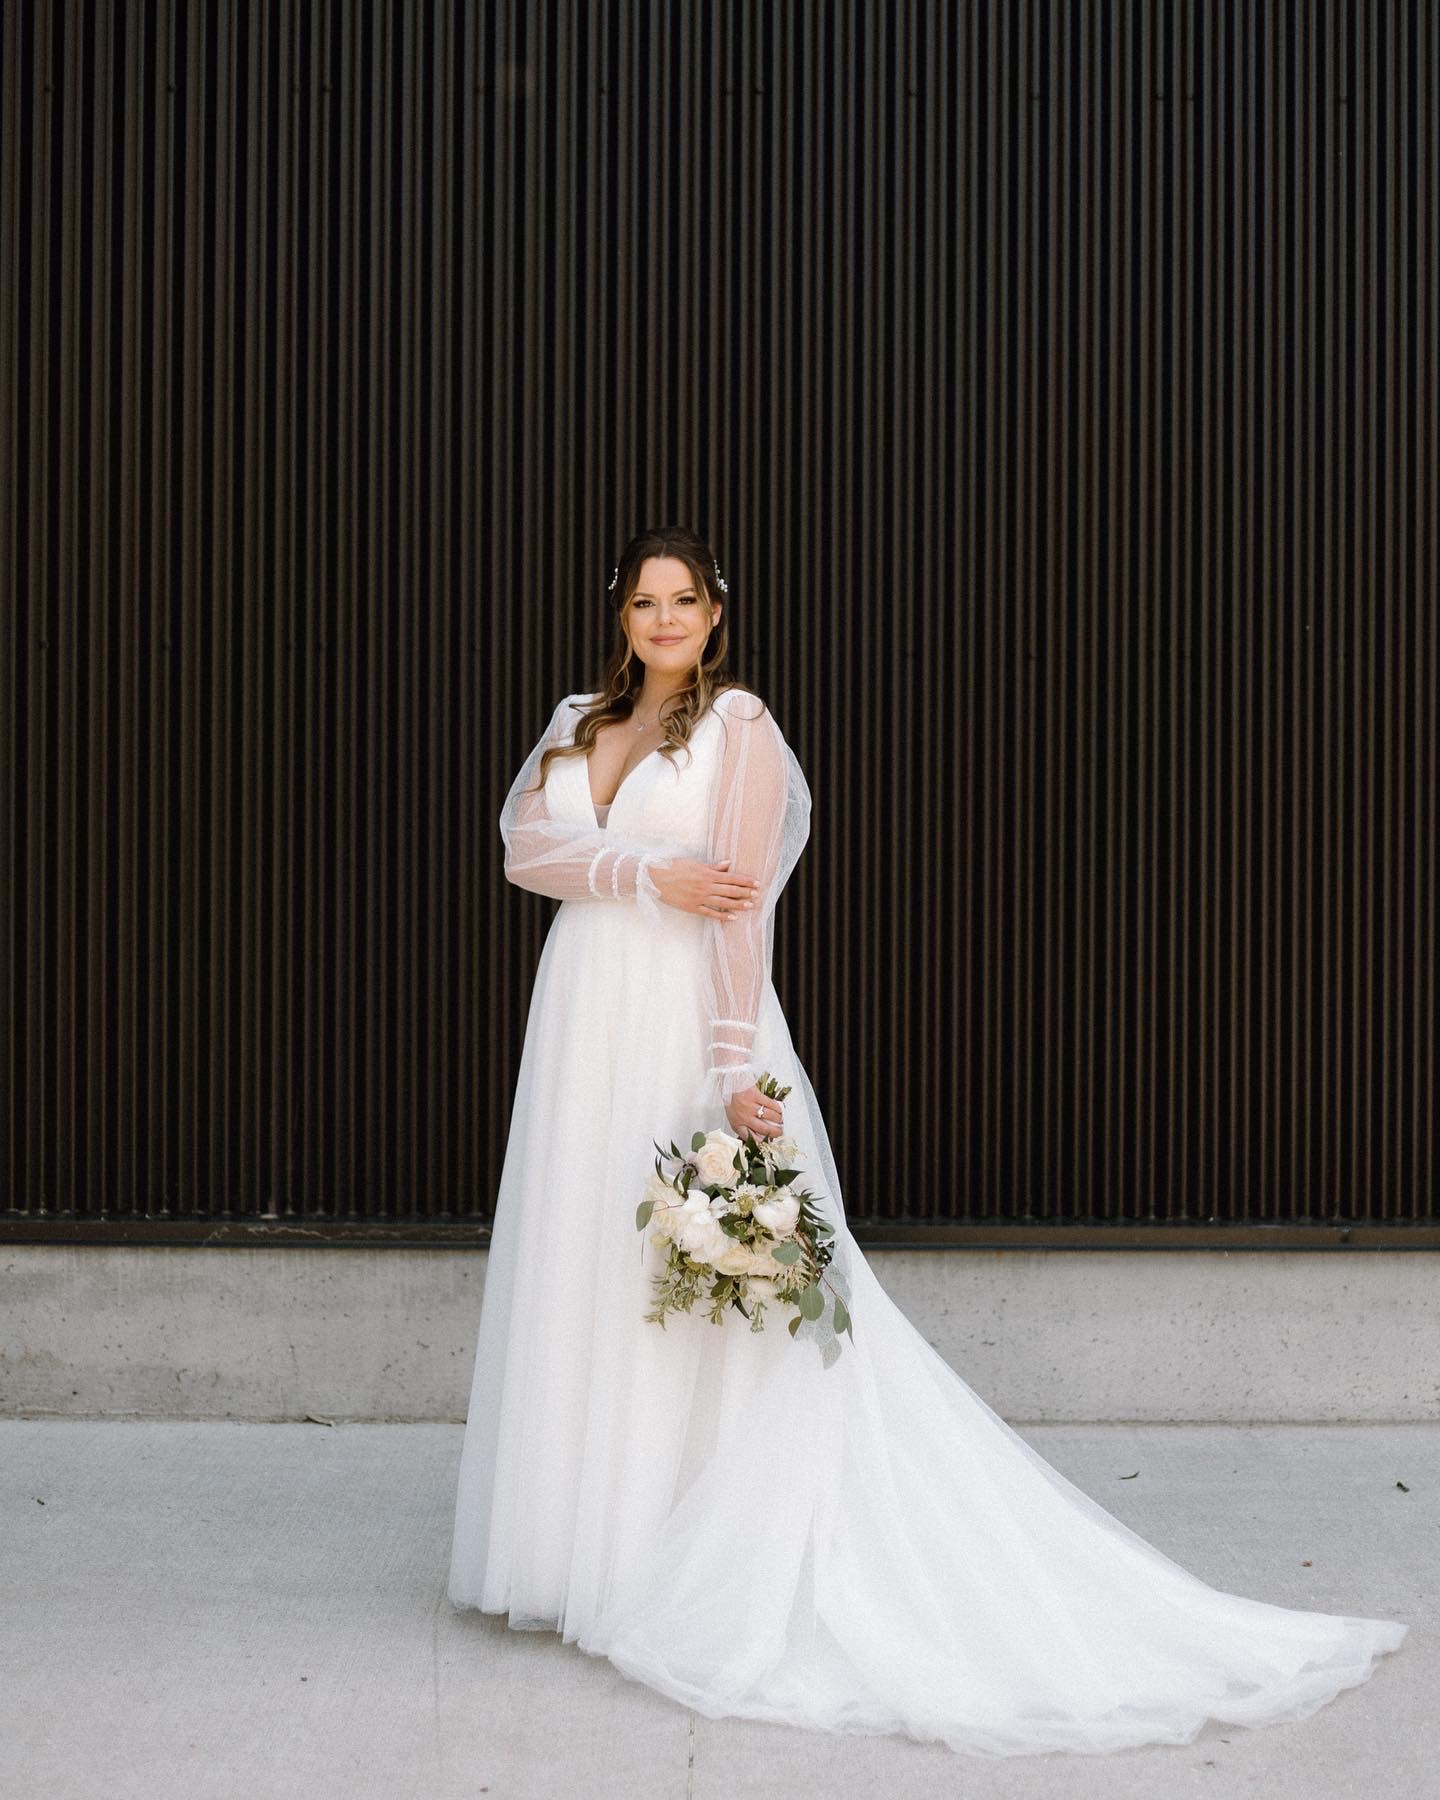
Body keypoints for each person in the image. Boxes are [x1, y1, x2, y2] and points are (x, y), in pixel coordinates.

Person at [447, 527, 1406, 1757]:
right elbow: (529, 852)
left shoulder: (738, 727)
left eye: (685, 601)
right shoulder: (580, 721)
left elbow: (742, 900)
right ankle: (586, 1555)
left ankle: (679, 1549)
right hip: (583, 1016)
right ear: (620, 616)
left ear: (716, 615)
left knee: (697, 1294)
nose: (666, 620)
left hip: (683, 1020)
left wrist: (734, 1065)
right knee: (590, 1264)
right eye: (646, 602)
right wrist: (642, 872)